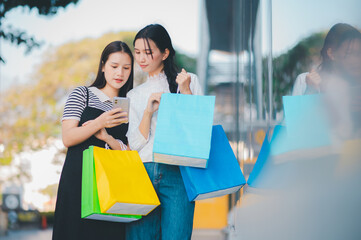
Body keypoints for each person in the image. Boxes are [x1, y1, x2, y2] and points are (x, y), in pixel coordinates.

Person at [125, 24, 202, 240]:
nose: (141, 59)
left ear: (165, 53)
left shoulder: (188, 80)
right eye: (137, 52)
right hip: (143, 171)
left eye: (148, 53)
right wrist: (148, 113)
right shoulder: (134, 94)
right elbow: (135, 143)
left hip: (177, 172)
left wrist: (185, 90)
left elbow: (198, 129)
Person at [52, 41, 134, 240]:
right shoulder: (82, 94)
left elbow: (131, 154)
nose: (120, 73)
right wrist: (99, 122)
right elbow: (68, 138)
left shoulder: (130, 105)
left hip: (113, 186)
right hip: (79, 180)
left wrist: (108, 138)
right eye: (114, 66)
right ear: (103, 65)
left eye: (126, 68)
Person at [292, 23, 361, 139]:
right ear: (332, 54)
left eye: (359, 54)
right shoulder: (305, 81)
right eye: (349, 53)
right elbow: (293, 130)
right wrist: (311, 92)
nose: (356, 60)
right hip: (318, 155)